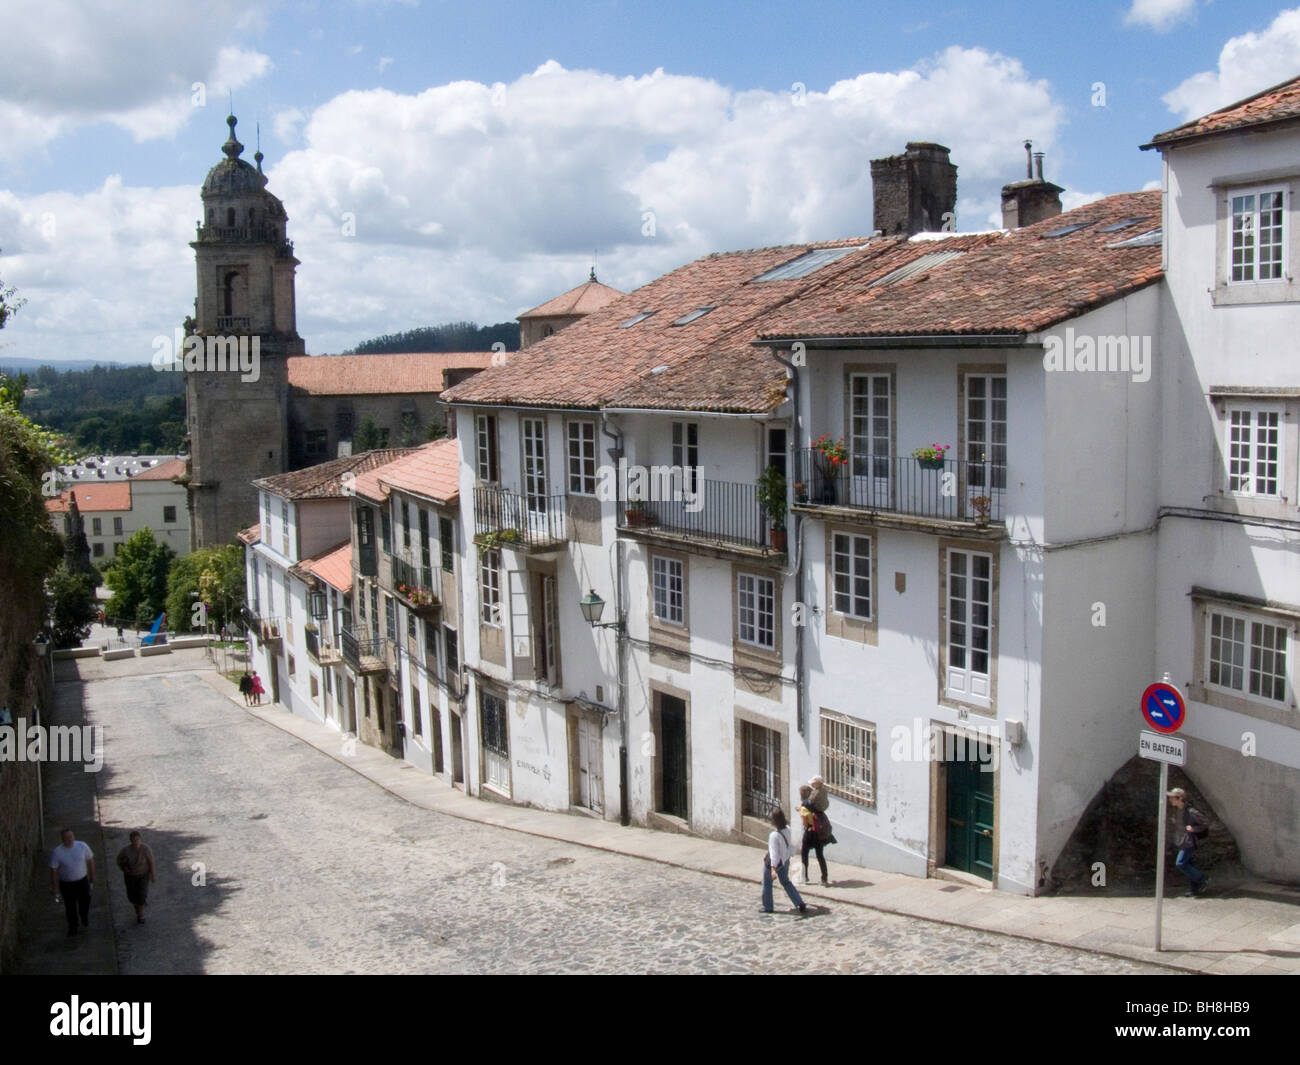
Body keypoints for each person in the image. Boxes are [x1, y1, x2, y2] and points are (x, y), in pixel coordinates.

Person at [49, 828, 95, 936]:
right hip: (66, 884)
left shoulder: (82, 846)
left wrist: (92, 876)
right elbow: (53, 869)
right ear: (62, 839)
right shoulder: (58, 852)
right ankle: (73, 926)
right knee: (70, 906)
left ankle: (84, 916)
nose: (69, 839)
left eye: (71, 837)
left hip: (82, 881)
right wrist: (54, 885)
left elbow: (90, 861)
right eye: (67, 837)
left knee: (85, 901)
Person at [761, 808, 806, 915]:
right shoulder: (789, 830)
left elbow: (774, 854)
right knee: (786, 882)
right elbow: (792, 845)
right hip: (785, 861)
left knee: (767, 884)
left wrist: (773, 869)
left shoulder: (774, 836)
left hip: (775, 864)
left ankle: (768, 906)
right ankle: (799, 902)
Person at [1168, 787, 1210, 896]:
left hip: (1188, 841)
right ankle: (1194, 890)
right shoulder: (1178, 810)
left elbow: (1205, 822)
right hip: (1181, 841)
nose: (1170, 800)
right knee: (1189, 864)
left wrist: (1193, 829)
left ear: (1180, 798)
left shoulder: (1191, 811)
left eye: (1173, 798)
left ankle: (1203, 879)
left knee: (1181, 863)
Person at [116, 831, 156, 924]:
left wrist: (153, 875)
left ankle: (140, 914)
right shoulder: (125, 851)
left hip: (143, 875)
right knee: (132, 896)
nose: (136, 842)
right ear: (131, 841)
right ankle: (137, 907)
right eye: (134, 840)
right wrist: (124, 868)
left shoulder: (146, 849)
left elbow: (151, 862)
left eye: (138, 840)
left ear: (140, 839)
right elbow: (119, 861)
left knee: (142, 894)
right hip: (131, 876)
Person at [797, 785, 829, 886]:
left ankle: (804, 877)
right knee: (820, 855)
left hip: (810, 831)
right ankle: (824, 878)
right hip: (819, 832)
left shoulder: (805, 805)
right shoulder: (816, 803)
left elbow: (805, 823)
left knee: (804, 853)